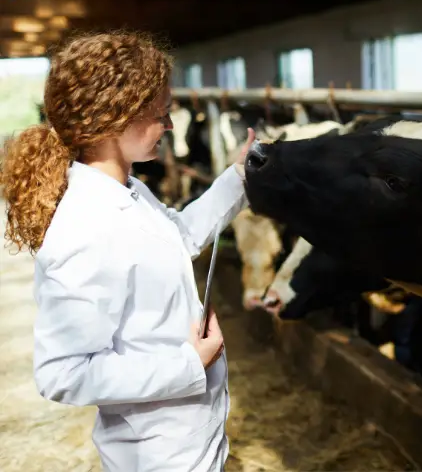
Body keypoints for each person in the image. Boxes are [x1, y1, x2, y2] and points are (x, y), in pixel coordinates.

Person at [0, 31, 253, 471]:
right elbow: (63, 374)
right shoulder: (85, 228)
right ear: (115, 119)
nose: (171, 126)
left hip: (188, 440)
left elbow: (178, 237)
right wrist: (189, 364)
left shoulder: (129, 191)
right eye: (162, 114)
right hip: (156, 456)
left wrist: (238, 176)